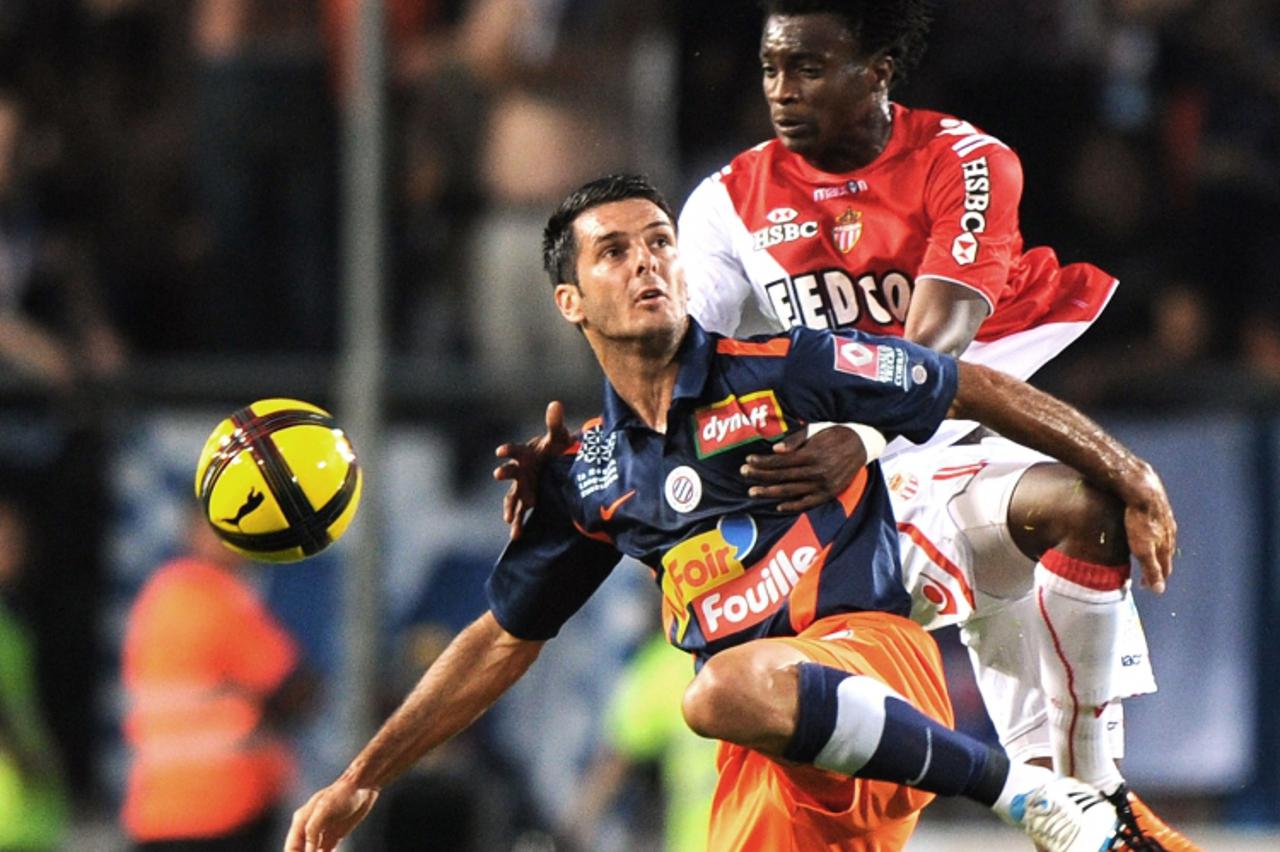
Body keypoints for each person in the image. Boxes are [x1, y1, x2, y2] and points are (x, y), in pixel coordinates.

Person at [286, 174, 1177, 852]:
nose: (648, 264)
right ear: (570, 302)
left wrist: (1126, 472)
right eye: (615, 253)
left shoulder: (781, 366)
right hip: (767, 754)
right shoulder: (593, 475)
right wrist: (362, 779)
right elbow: (502, 637)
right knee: (727, 694)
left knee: (714, 686)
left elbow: (969, 386)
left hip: (866, 662)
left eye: (661, 242)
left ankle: (1025, 793)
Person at [667, 2, 1195, 847]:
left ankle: (1097, 800)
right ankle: (1071, 802)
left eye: (807, 67)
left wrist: (866, 435)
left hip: (935, 445)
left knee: (1085, 511)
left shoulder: (967, 160)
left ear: (877, 70)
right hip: (834, 503)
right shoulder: (726, 202)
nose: (780, 91)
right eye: (771, 68)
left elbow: (937, 340)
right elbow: (681, 369)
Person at [121, 508, 314, 850]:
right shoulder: (218, 598)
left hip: (156, 811)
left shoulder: (158, 595)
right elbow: (292, 684)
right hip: (226, 807)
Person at [0, 499, 68, 851]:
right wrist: (21, 753)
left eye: (17, 540)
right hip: (11, 801)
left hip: (26, 806)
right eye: (5, 540)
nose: (15, 550)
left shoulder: (12, 614)